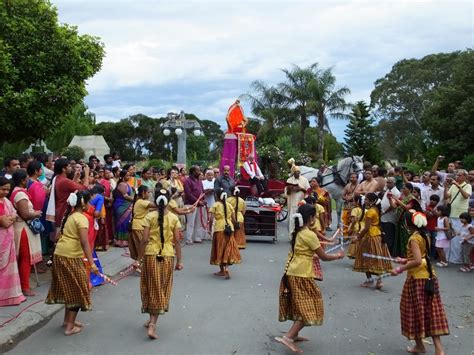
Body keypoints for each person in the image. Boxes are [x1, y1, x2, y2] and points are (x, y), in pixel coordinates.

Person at [276, 204, 344, 353]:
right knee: (309, 307)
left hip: (293, 271)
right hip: (301, 274)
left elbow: (304, 252)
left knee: (300, 304)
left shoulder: (298, 231)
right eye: (315, 216)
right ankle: (288, 337)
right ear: (312, 218)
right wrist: (338, 256)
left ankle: (294, 334)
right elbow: (324, 257)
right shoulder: (309, 234)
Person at [391, 211, 449, 355]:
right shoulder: (425, 235)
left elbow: (417, 261)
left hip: (417, 279)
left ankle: (420, 346)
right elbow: (423, 257)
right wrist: (404, 259)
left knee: (413, 311)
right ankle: (438, 349)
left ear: (407, 224)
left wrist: (400, 269)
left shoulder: (414, 239)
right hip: (430, 276)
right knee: (431, 311)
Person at [45, 191, 99, 336]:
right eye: (88, 202)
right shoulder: (81, 218)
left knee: (70, 287)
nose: (90, 205)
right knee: (78, 290)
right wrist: (91, 263)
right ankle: (70, 327)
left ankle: (67, 321)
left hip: (61, 254)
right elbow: (84, 242)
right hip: (70, 256)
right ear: (83, 203)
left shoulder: (70, 215)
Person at [141, 189, 183, 339]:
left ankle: (151, 321)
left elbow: (144, 240)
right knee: (161, 288)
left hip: (151, 254)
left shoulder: (149, 216)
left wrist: (139, 258)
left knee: (152, 286)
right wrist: (180, 261)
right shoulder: (173, 218)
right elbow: (177, 241)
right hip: (167, 255)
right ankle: (152, 323)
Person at [10, 170, 43, 297]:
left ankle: (22, 285)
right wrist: (36, 213)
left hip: (23, 228)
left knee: (24, 259)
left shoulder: (18, 192)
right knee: (25, 259)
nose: (28, 180)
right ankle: (25, 287)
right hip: (23, 229)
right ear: (23, 180)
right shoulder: (20, 195)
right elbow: (25, 214)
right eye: (27, 179)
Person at [353, 192, 392, 290]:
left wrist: (358, 237)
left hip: (370, 236)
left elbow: (366, 228)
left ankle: (370, 280)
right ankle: (379, 281)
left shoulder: (370, 212)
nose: (364, 200)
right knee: (376, 258)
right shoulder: (376, 210)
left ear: (372, 201)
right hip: (377, 235)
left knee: (366, 257)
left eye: (366, 199)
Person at [0, 177, 26, 306]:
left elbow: (15, 216)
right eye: (3, 189)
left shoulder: (6, 201)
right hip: (1, 240)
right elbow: (5, 222)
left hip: (8, 239)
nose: (5, 192)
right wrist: (10, 218)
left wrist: (10, 218)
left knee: (9, 267)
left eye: (7, 190)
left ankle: (11, 296)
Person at [209, 189, 241, 279]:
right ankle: (226, 268)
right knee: (228, 248)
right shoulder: (229, 205)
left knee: (220, 248)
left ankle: (222, 270)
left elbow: (211, 219)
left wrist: (208, 228)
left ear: (217, 196)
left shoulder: (215, 205)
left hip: (219, 228)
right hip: (230, 228)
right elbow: (234, 219)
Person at [444, 169, 471, 264]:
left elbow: (466, 196)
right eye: (457, 175)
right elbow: (446, 197)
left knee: (458, 238)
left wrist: (457, 185)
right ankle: (449, 258)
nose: (457, 177)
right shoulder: (453, 186)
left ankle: (458, 259)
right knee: (451, 237)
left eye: (459, 175)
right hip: (452, 214)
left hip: (461, 216)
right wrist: (445, 187)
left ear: (465, 177)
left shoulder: (467, 186)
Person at [391, 183, 422, 257]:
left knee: (407, 238)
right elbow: (394, 206)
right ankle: (401, 254)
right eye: (402, 188)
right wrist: (390, 199)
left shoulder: (411, 198)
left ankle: (408, 254)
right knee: (400, 238)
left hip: (407, 221)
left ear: (410, 189)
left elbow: (407, 207)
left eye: (405, 188)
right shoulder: (403, 198)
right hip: (400, 220)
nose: (403, 189)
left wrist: (396, 199)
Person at [130, 186, 156, 267]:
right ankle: (139, 264)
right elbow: (155, 205)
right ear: (143, 193)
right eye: (148, 192)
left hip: (138, 225)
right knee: (142, 246)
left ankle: (140, 263)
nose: (149, 194)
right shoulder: (141, 202)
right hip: (139, 227)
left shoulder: (140, 201)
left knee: (141, 246)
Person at [183, 166, 206, 245]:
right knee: (191, 223)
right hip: (190, 204)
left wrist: (203, 200)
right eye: (198, 170)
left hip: (199, 205)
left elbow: (202, 192)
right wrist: (198, 201)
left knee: (198, 222)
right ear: (193, 172)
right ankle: (189, 239)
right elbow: (188, 194)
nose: (199, 172)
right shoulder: (187, 181)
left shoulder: (199, 181)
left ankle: (197, 238)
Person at [113, 170, 134, 247]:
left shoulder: (127, 184)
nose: (128, 177)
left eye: (129, 175)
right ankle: (120, 240)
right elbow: (125, 196)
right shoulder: (122, 184)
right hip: (121, 206)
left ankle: (125, 240)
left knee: (126, 223)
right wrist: (135, 199)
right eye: (127, 175)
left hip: (126, 205)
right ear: (122, 176)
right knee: (122, 223)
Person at [286, 167, 310, 234]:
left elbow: (308, 191)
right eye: (296, 172)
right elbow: (286, 193)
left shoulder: (304, 180)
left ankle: (300, 235)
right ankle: (292, 235)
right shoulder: (289, 180)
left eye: (298, 172)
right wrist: (290, 190)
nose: (297, 173)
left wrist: (300, 189)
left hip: (302, 203)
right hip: (292, 203)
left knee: (301, 220)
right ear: (293, 172)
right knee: (292, 220)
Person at [380, 177, 401, 256]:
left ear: (394, 183)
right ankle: (383, 251)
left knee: (389, 235)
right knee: (384, 234)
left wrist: (384, 212)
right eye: (387, 182)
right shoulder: (387, 190)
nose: (387, 184)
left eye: (389, 183)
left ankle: (388, 252)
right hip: (383, 216)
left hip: (389, 217)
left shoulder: (396, 192)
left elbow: (393, 206)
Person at [425, 195, 441, 259]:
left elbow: (438, 216)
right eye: (431, 199)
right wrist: (431, 212)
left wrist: (433, 212)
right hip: (427, 227)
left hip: (435, 228)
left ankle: (433, 256)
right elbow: (428, 216)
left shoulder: (439, 208)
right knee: (428, 242)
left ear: (437, 202)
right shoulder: (427, 207)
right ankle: (427, 255)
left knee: (434, 243)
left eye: (434, 200)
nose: (432, 201)